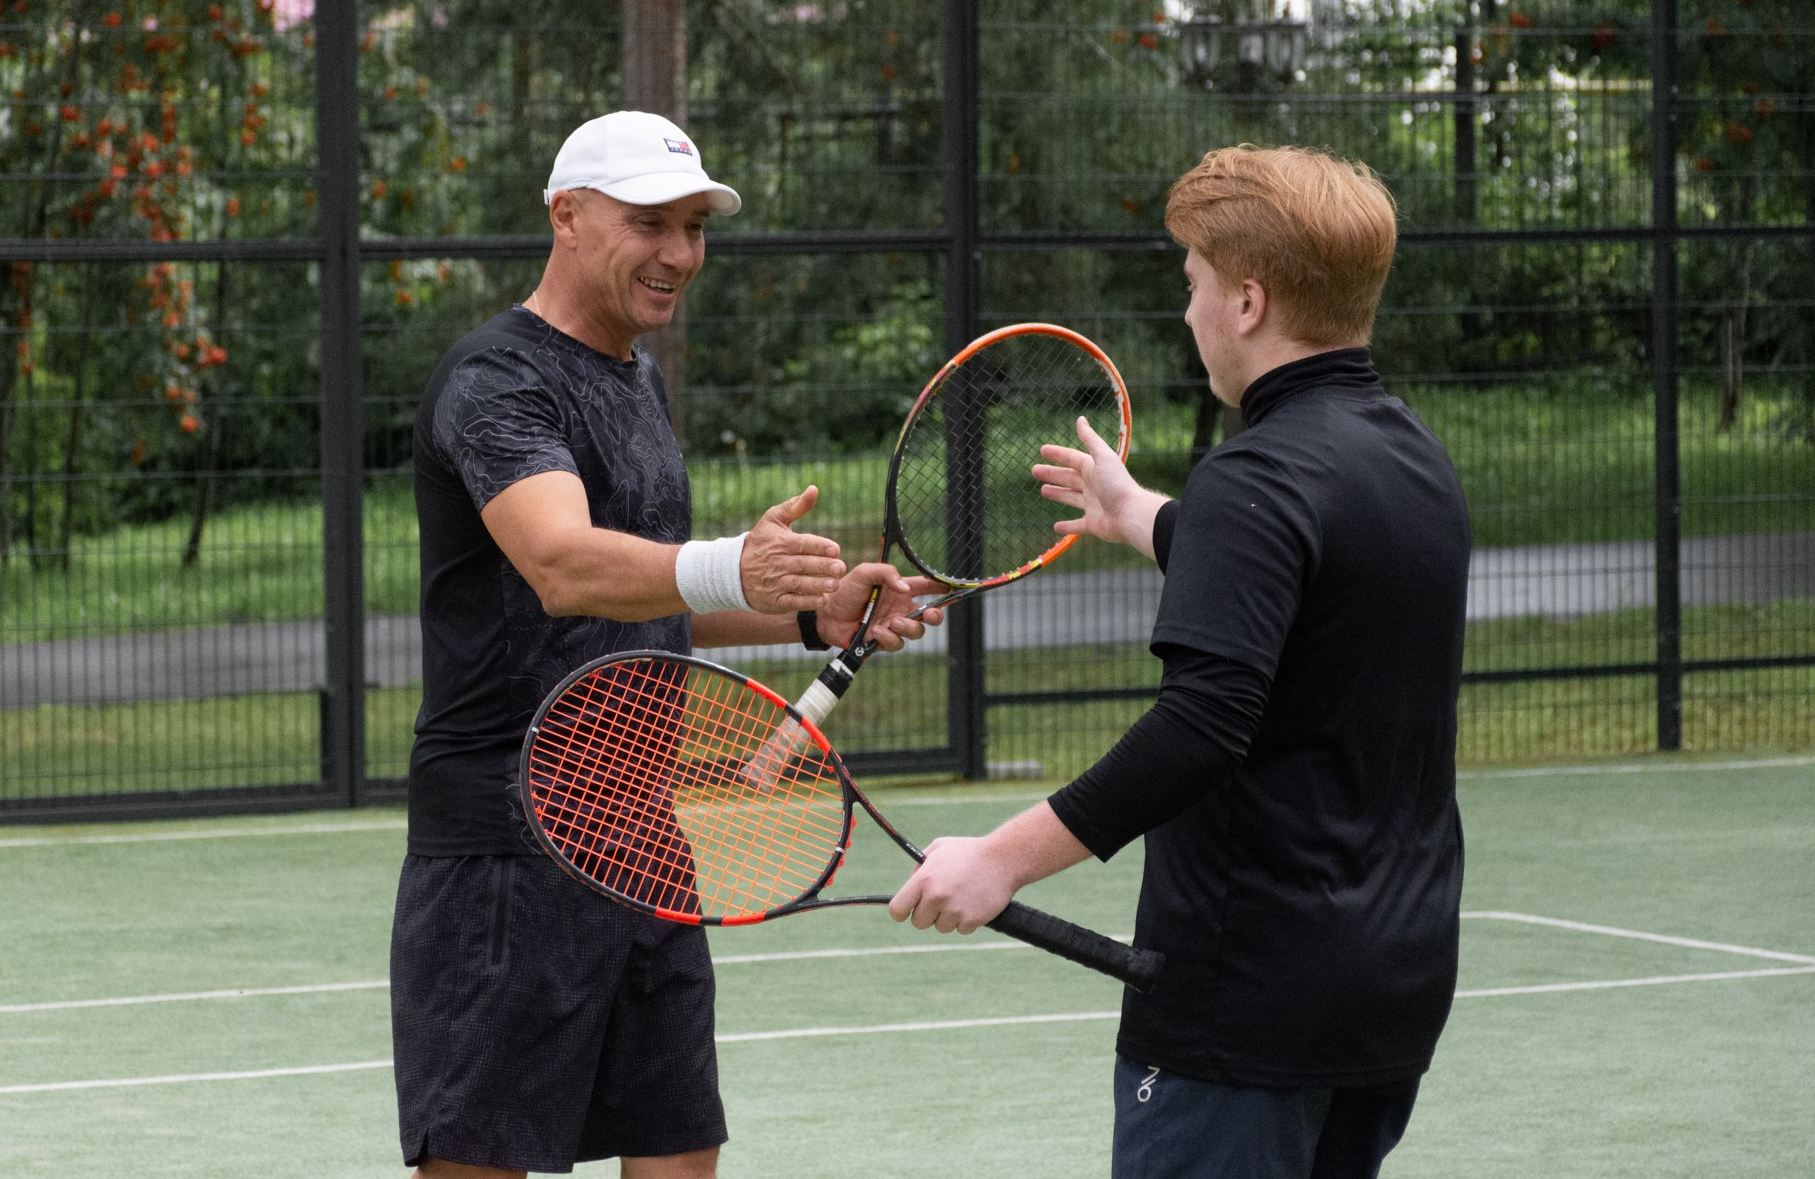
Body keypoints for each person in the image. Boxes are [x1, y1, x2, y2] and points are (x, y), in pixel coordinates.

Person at [888, 144, 1471, 1179]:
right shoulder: (1409, 460)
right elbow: (1312, 578)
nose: (1189, 308)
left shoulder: (1250, 479)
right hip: (1389, 988)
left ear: (1246, 301)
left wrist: (998, 858)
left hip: (1240, 1001)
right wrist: (1143, 514)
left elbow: (1201, 725)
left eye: (1193, 283)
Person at [394, 110, 939, 1179]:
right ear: (566, 216)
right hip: (507, 847)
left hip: (643, 838)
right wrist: (733, 563)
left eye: (693, 227)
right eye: (650, 223)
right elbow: (561, 565)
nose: (679, 254)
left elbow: (646, 593)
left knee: (680, 1153)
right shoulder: (497, 381)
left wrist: (807, 614)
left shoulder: (634, 377)